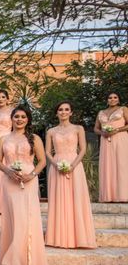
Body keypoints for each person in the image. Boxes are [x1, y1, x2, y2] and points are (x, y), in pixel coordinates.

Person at [0, 106, 49, 265]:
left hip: (28, 181)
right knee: (12, 218)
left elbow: (42, 161)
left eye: (23, 117)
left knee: (27, 218)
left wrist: (32, 175)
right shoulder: (3, 139)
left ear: (28, 119)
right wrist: (9, 172)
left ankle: (27, 260)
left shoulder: (34, 138)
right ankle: (11, 257)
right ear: (11, 119)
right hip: (9, 181)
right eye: (16, 116)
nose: (19, 119)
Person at [45, 101, 96, 248]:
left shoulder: (78, 128)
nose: (63, 112)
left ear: (71, 112)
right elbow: (48, 151)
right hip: (57, 166)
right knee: (59, 200)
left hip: (75, 165)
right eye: (60, 109)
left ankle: (79, 237)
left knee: (76, 200)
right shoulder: (51, 131)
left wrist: (73, 165)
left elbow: (83, 149)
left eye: (66, 109)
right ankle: (58, 238)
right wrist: (56, 165)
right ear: (57, 113)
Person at [95, 92, 128, 202]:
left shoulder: (123, 109)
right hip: (105, 141)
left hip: (120, 139)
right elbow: (96, 128)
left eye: (115, 97)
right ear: (107, 100)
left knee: (121, 165)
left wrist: (117, 130)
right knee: (107, 165)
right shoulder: (101, 112)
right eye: (110, 97)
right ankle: (108, 196)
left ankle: (123, 195)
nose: (112, 99)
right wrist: (102, 133)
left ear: (118, 99)